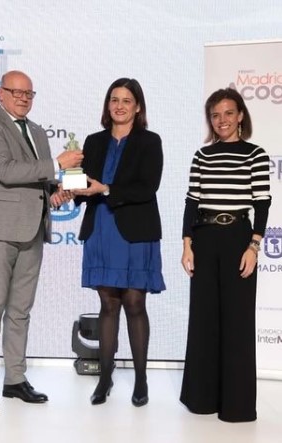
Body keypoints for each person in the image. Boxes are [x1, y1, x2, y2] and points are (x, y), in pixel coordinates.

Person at [0, 70, 82, 414]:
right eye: (16, 92)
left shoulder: (37, 132)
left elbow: (40, 182)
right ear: (0, 94)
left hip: (32, 229)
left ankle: (15, 379)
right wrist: (57, 163)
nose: (23, 98)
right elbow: (6, 171)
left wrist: (57, 193)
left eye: (28, 94)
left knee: (21, 310)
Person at [71, 78, 166, 407]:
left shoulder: (150, 141)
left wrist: (106, 189)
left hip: (135, 231)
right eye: (114, 99)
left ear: (137, 107)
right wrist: (70, 190)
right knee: (108, 305)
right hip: (101, 228)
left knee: (135, 304)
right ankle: (104, 378)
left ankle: (141, 379)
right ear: (107, 104)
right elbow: (84, 185)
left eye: (127, 100)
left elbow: (148, 187)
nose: (120, 106)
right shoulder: (94, 141)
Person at [179, 88, 271, 422]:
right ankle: (202, 399)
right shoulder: (202, 156)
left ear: (240, 115)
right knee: (203, 319)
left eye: (229, 113)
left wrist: (254, 246)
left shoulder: (255, 154)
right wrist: (187, 244)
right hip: (204, 238)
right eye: (216, 115)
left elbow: (262, 202)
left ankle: (237, 405)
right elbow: (192, 201)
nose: (222, 120)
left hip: (238, 238)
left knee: (238, 320)